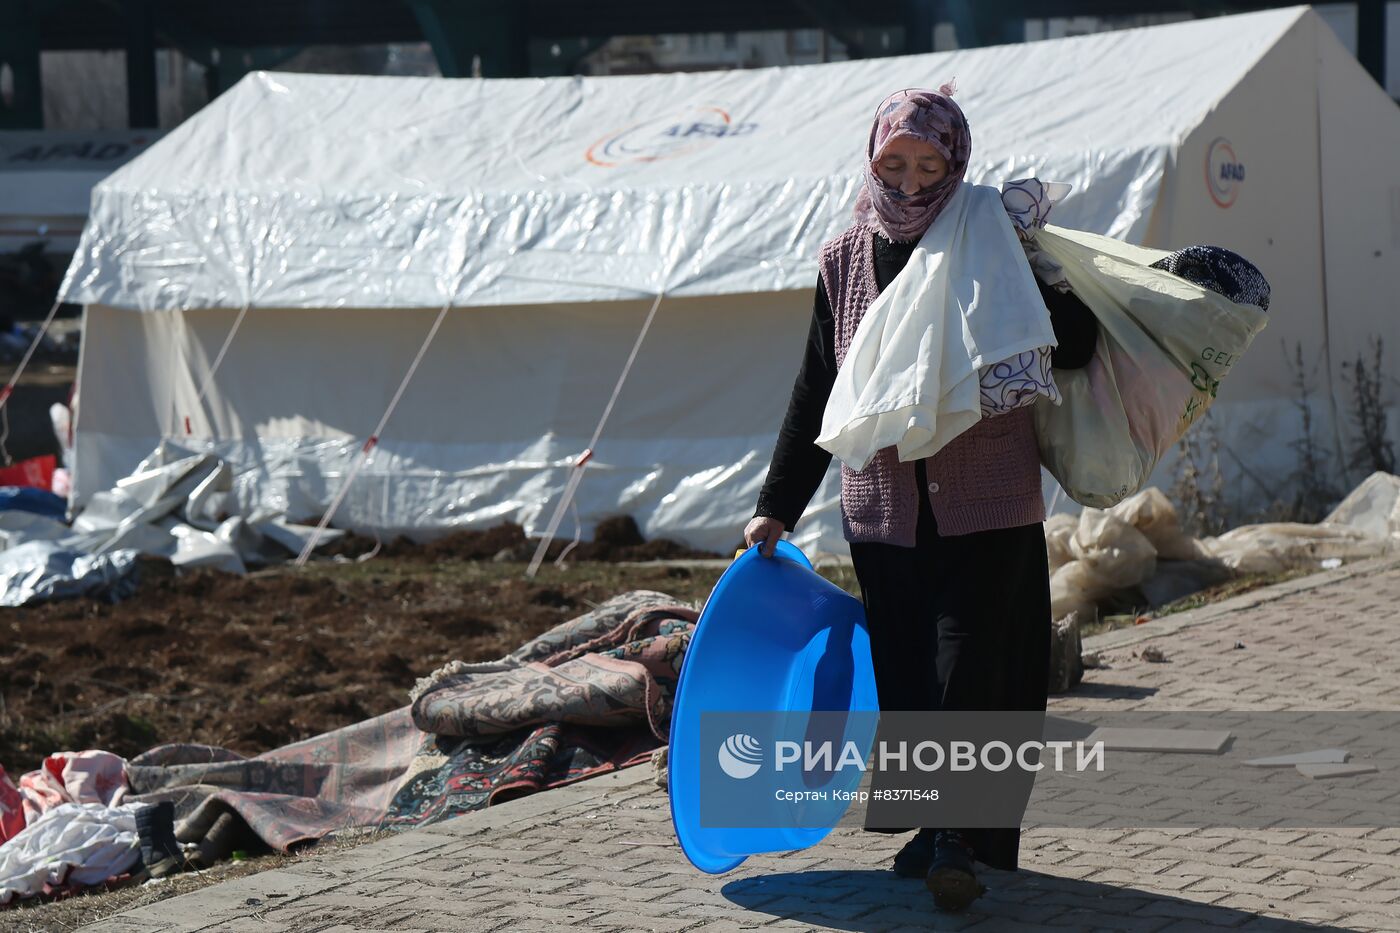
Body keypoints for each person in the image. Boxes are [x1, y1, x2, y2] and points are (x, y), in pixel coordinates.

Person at [742, 84, 1100, 912]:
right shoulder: (843, 259)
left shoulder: (993, 237)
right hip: (883, 510)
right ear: (873, 161)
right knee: (906, 675)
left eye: (927, 163)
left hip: (987, 503)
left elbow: (1074, 344)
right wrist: (777, 505)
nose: (909, 181)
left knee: (966, 667)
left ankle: (953, 837)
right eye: (893, 163)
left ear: (955, 162)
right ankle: (933, 829)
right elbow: (817, 389)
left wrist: (1031, 274)